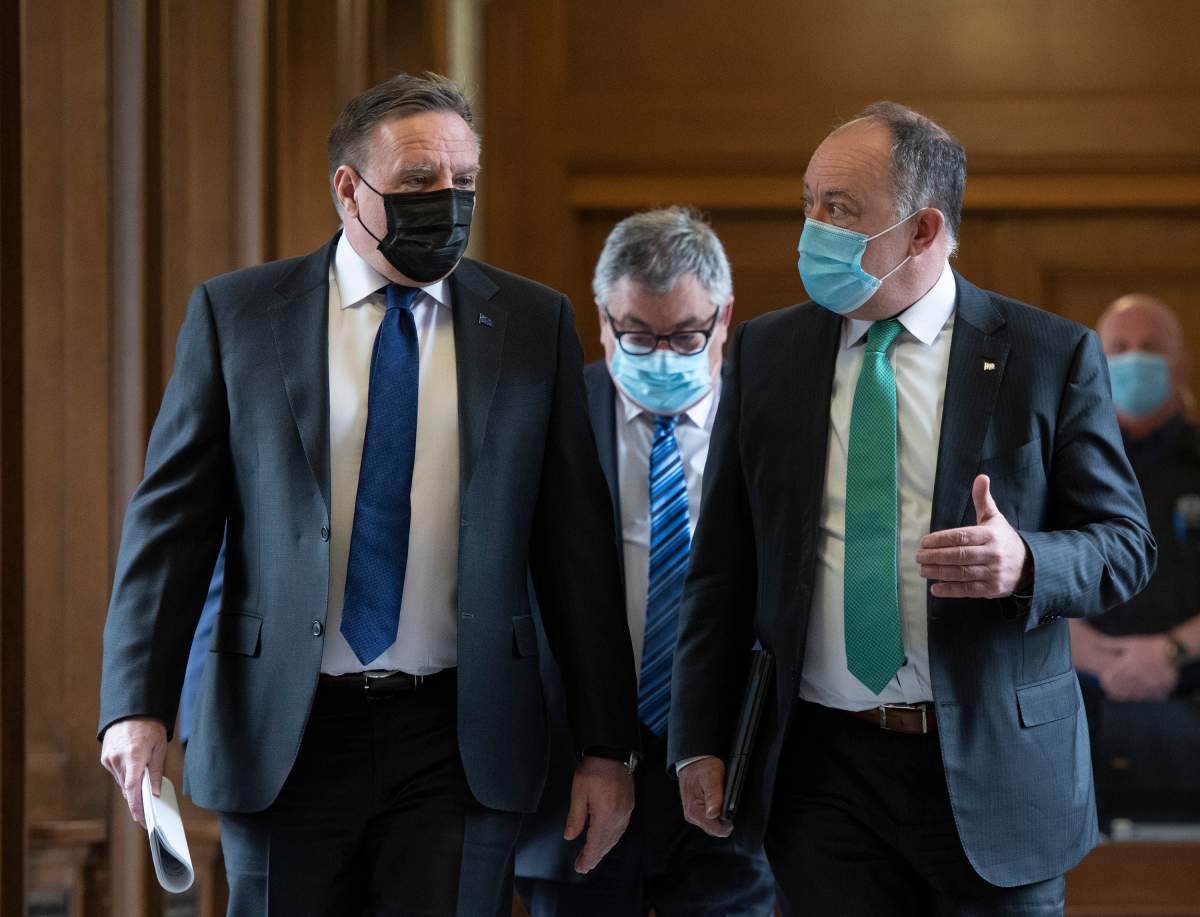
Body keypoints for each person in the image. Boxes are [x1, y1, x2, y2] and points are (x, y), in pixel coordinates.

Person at [97, 72, 640, 916]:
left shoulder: (533, 326)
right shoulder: (239, 316)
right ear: (348, 188)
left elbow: (576, 552)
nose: (449, 202)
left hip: (460, 736)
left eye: (465, 183)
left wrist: (608, 748)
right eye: (421, 181)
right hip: (286, 727)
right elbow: (171, 529)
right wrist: (137, 705)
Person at [668, 101, 1156, 916]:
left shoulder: (1048, 354)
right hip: (821, 771)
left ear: (925, 230)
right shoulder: (768, 350)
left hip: (993, 772)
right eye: (808, 202)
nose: (811, 230)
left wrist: (1026, 562)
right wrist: (699, 741)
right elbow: (720, 568)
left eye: (839, 210)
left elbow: (1127, 544)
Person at [514, 208, 775, 916]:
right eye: (637, 333)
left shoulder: (773, 426)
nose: (663, 355)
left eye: (687, 334)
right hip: (575, 779)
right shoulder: (541, 418)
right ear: (602, 318)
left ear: (725, 319)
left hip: (731, 780)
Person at [1074, 294, 1200, 817]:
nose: (1135, 359)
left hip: (1190, 688)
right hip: (1078, 696)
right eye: (1120, 347)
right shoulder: (1062, 460)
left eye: (1150, 348)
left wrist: (1170, 651)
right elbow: (1018, 567)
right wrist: (1080, 648)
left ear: (1180, 362)